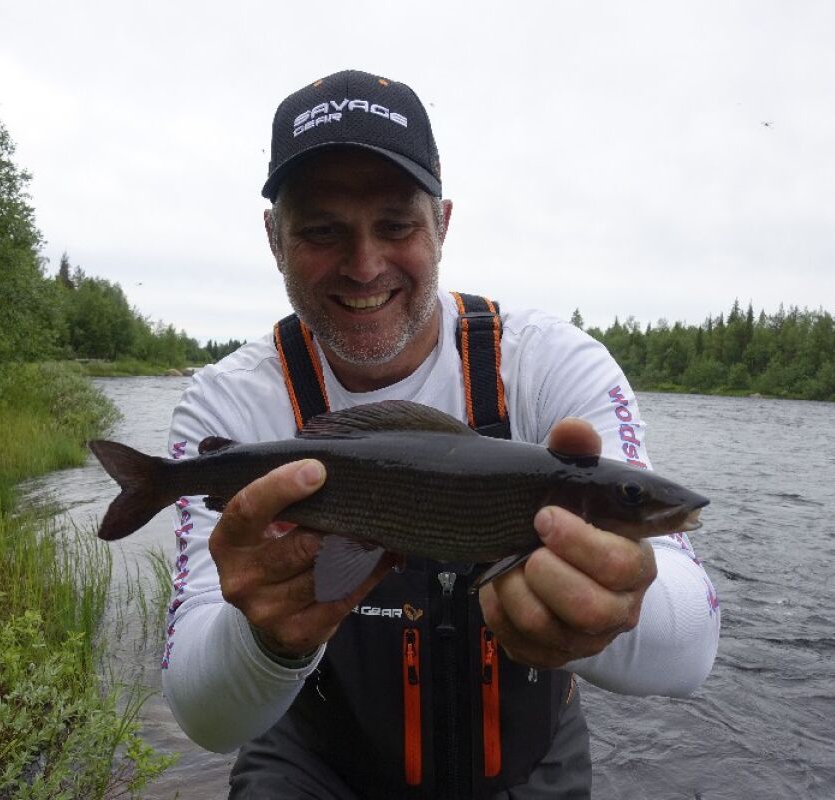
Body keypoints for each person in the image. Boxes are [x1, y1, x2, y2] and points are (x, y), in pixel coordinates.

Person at [161, 69, 720, 799]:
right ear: (274, 239)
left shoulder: (549, 365)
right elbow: (204, 718)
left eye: (396, 225)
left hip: (526, 764)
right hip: (315, 767)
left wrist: (606, 613)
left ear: (442, 225)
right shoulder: (226, 402)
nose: (365, 266)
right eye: (322, 231)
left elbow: (691, 649)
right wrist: (267, 638)